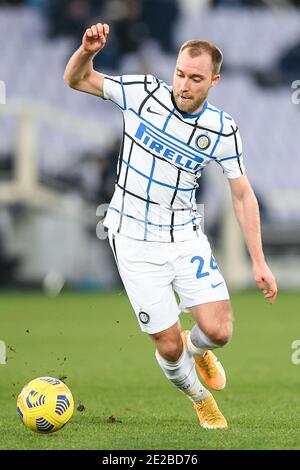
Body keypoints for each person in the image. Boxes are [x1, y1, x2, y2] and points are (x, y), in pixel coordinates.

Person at [64, 22, 278, 429]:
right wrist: (87, 52)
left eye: (196, 78)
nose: (184, 84)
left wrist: (259, 260)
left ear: (214, 81)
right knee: (165, 344)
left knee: (218, 331)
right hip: (132, 238)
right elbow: (75, 79)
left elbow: (242, 194)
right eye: (180, 73)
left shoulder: (222, 128)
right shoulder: (143, 93)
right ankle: (199, 398)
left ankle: (197, 347)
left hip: (184, 236)